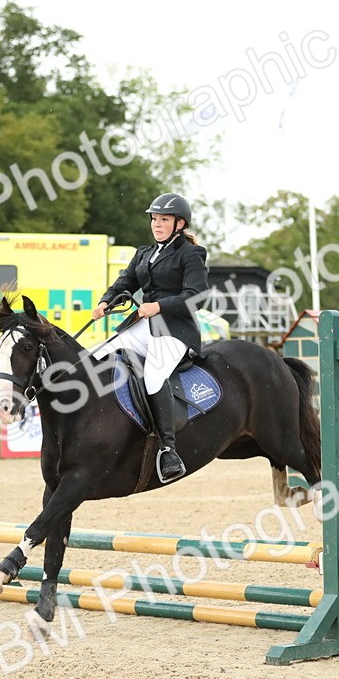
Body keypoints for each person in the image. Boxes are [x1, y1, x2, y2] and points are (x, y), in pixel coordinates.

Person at [90, 192, 209, 483]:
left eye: (164, 219)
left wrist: (159, 306)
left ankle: (168, 449)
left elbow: (198, 296)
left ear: (179, 224)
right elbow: (126, 281)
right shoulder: (144, 252)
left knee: (154, 376)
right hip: (144, 325)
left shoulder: (191, 254)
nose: (156, 224)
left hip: (175, 329)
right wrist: (106, 301)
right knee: (96, 355)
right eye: (154, 219)